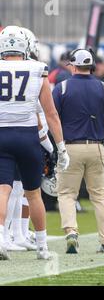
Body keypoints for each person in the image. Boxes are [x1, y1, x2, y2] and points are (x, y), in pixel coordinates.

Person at [0, 26, 69, 260]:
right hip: (27, 136)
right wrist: (60, 147)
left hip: (1, 134)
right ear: (25, 47)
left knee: (3, 190)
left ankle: (1, 240)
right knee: (33, 194)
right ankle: (42, 248)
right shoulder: (37, 68)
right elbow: (50, 114)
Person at [52, 49, 104, 254]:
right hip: (97, 146)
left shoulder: (62, 87)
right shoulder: (103, 87)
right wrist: (101, 126)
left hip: (70, 147)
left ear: (73, 65)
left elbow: (52, 118)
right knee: (100, 195)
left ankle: (71, 232)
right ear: (91, 66)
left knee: (66, 194)